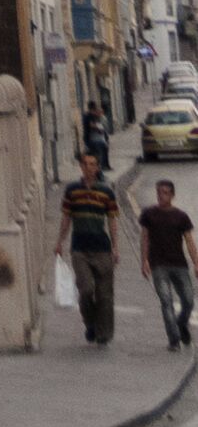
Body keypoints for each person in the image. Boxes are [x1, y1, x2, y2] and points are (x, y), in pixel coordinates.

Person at [61, 145, 122, 346]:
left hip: (102, 247)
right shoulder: (72, 190)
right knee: (86, 289)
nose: (89, 168)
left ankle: (104, 333)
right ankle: (90, 324)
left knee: (105, 295)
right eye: (86, 164)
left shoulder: (106, 191)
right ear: (80, 167)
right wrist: (59, 242)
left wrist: (115, 247)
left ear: (97, 167)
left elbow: (112, 220)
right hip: (79, 247)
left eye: (93, 164)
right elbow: (66, 217)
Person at [142, 179, 195, 351]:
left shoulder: (181, 216)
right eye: (158, 192)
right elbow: (144, 238)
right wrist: (144, 261)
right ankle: (174, 340)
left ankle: (181, 323)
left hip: (179, 263)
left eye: (165, 193)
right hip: (158, 264)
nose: (161, 196)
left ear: (172, 195)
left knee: (188, 300)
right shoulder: (149, 214)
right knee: (166, 301)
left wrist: (196, 262)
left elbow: (189, 240)